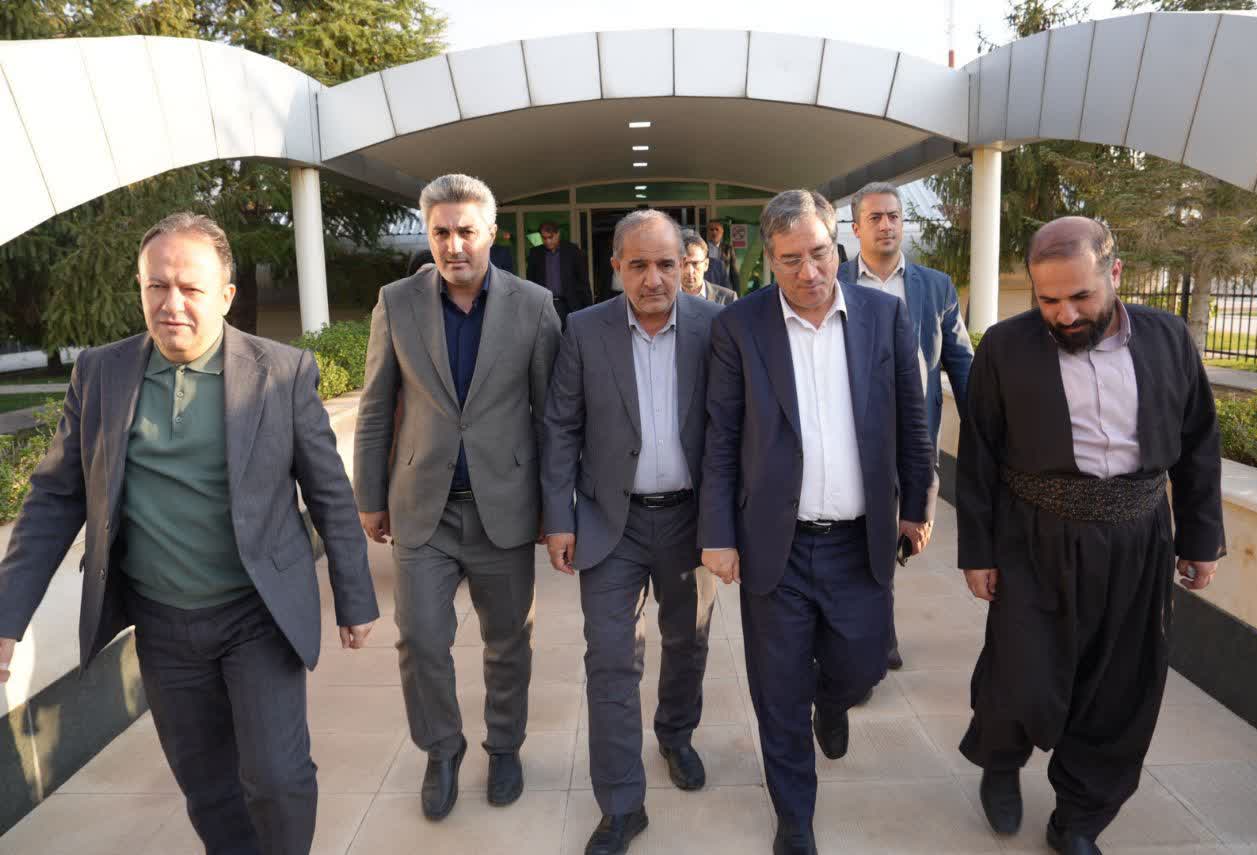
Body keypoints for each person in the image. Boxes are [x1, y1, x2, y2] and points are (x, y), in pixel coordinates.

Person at [0, 212, 378, 855]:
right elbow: (55, 499)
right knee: (207, 786)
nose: (171, 303)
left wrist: (355, 595)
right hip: (162, 623)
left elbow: (330, 494)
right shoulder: (101, 373)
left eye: (190, 288)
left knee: (277, 779)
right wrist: (9, 614)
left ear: (225, 296)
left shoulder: (281, 372)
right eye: (157, 286)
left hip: (256, 614)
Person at [957, 217, 1225, 855]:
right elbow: (979, 455)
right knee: (1022, 673)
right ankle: (1001, 761)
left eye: (1081, 296)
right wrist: (978, 552)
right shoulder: (1005, 347)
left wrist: (1200, 538)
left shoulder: (1168, 339)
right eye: (1048, 300)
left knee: (1121, 686)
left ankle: (1078, 817)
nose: (1065, 314)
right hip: (1035, 536)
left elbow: (1198, 443)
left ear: (1116, 274)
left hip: (1139, 539)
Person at [699, 189, 936, 855]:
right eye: (791, 259)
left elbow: (912, 421)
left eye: (821, 253)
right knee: (777, 691)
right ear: (768, 260)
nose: (809, 271)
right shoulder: (740, 327)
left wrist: (917, 506)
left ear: (839, 245)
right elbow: (721, 438)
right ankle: (795, 819)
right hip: (775, 544)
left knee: (863, 666)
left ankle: (831, 702)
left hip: (859, 541)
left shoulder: (884, 316)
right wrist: (717, 533)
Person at [353, 174, 561, 822]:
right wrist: (369, 495)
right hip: (424, 507)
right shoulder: (396, 302)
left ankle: (504, 747)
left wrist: (556, 509)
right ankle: (441, 750)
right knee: (420, 639)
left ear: (491, 234)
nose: (453, 245)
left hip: (505, 504)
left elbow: (553, 418)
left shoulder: (534, 306)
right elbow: (375, 406)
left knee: (509, 642)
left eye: (466, 231)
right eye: (440, 232)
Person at [542, 211, 721, 855]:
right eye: (638, 265)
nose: (653, 279)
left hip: (690, 521)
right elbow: (560, 426)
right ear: (616, 267)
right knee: (611, 661)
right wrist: (559, 517)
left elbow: (731, 429)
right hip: (608, 523)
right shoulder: (584, 329)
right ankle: (621, 804)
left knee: (687, 641)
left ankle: (675, 734)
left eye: (666, 264)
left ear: (684, 266)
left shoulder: (713, 326)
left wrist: (728, 525)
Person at [837, 181, 974, 672]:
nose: (887, 225)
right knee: (858, 536)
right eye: (875, 217)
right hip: (852, 436)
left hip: (912, 436)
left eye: (894, 216)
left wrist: (986, 427)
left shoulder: (935, 286)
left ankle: (878, 632)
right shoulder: (835, 282)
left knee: (897, 533)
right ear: (856, 228)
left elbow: (961, 363)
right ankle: (870, 635)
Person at [527, 220, 593, 327]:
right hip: (545, 305)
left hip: (569, 305)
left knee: (570, 335)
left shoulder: (572, 251)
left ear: (558, 234)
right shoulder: (535, 253)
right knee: (548, 336)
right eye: (544, 238)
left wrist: (589, 307)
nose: (548, 241)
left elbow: (583, 280)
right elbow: (531, 282)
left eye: (550, 237)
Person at [679, 229, 738, 306]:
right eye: (684, 263)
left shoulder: (728, 299)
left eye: (695, 263)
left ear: (706, 264)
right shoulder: (666, 299)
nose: (690, 271)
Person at [705, 219, 740, 292]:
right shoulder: (702, 248)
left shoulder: (728, 249)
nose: (714, 232)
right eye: (711, 229)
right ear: (707, 232)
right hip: (707, 286)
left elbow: (734, 272)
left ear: (722, 232)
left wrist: (737, 291)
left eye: (717, 229)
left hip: (724, 286)